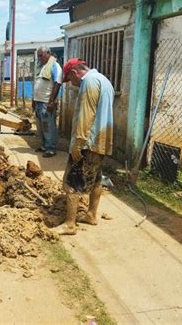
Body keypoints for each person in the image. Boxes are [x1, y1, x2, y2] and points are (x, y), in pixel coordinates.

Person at [54, 58, 114, 235]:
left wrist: (78, 143)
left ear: (74, 73)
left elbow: (86, 115)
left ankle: (70, 225)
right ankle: (91, 215)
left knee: (72, 181)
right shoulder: (104, 80)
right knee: (96, 178)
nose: (71, 84)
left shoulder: (88, 81)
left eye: (69, 80)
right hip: (101, 141)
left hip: (88, 142)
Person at [32, 47, 62, 158]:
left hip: (46, 102)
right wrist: (34, 100)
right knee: (40, 126)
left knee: (48, 126)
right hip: (38, 101)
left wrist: (51, 102)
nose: (39, 58)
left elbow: (57, 84)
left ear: (48, 53)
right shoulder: (41, 67)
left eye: (41, 55)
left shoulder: (55, 66)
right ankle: (44, 145)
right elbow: (37, 84)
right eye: (38, 56)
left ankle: (51, 148)